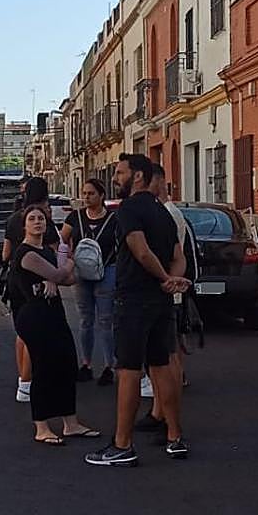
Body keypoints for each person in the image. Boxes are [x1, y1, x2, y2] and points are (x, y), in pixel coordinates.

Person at [86, 154, 191, 467]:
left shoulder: (129, 208)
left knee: (129, 371)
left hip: (134, 299)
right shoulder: (162, 212)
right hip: (160, 302)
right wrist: (172, 279)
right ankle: (174, 437)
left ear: (139, 177)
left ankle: (122, 444)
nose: (116, 178)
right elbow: (178, 255)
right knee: (161, 366)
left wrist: (163, 278)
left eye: (120, 173)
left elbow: (140, 251)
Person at [9, 204, 100, 445]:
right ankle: (42, 426)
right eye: (32, 219)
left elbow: (69, 280)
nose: (38, 222)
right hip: (34, 316)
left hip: (53, 313)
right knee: (44, 368)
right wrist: (65, 266)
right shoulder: (26, 253)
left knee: (67, 364)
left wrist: (56, 275)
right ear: (24, 226)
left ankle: (71, 423)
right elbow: (62, 275)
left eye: (41, 218)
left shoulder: (47, 250)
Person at [138, 163, 196, 432]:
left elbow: (173, 255)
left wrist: (166, 282)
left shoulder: (166, 214)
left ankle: (168, 419)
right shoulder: (164, 212)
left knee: (168, 358)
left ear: (157, 181)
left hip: (166, 295)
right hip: (166, 292)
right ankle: (159, 411)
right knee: (160, 358)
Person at [2, 177, 60, 403]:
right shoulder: (42, 219)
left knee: (22, 331)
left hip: (15, 282)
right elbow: (55, 253)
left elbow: (5, 255)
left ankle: (23, 381)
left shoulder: (13, 219)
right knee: (37, 332)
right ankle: (30, 381)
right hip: (37, 282)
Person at [61, 178, 117, 386]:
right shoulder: (74, 217)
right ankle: (86, 364)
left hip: (107, 272)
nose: (86, 197)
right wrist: (65, 262)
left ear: (102, 196)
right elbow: (62, 241)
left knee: (105, 320)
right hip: (82, 274)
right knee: (85, 320)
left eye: (91, 193)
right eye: (84, 193)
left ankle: (109, 366)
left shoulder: (113, 219)